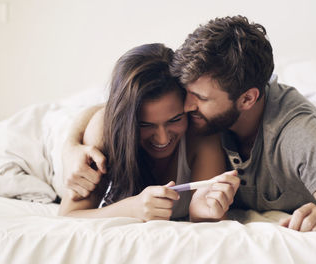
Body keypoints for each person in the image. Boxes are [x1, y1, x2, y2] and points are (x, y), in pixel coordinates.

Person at [63, 16, 316, 231]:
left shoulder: (294, 134)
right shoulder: (194, 115)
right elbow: (120, 108)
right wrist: (72, 144)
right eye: (185, 94)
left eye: (198, 99)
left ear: (246, 100)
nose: (186, 108)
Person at [58, 43, 240, 222]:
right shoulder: (103, 130)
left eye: (175, 120)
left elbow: (208, 218)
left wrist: (201, 213)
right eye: (145, 125)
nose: (162, 138)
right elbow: (68, 216)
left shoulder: (201, 135)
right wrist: (131, 209)